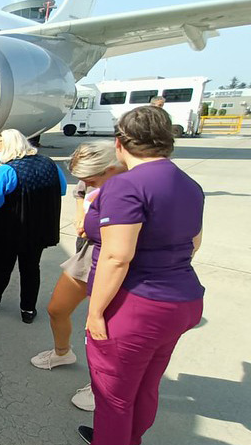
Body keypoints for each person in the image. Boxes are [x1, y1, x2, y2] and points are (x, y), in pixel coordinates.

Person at [76, 106, 204, 445]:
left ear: (120, 143)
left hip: (138, 305)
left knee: (113, 397)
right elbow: (194, 242)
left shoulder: (126, 185)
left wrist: (95, 311)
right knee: (146, 386)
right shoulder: (189, 184)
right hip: (182, 299)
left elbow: (118, 257)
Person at [29, 142, 125, 412]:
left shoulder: (131, 188)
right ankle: (62, 353)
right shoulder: (97, 182)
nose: (86, 184)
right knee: (57, 308)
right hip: (89, 252)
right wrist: (82, 215)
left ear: (112, 168)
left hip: (115, 258)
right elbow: (81, 197)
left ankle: (103, 386)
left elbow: (120, 253)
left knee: (105, 327)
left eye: (91, 180)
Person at [0, 129, 67, 324]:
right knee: (31, 267)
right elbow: (62, 189)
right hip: (39, 229)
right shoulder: (50, 165)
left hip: (9, 230)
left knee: (2, 266)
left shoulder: (6, 171)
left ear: (8, 147)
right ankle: (28, 310)